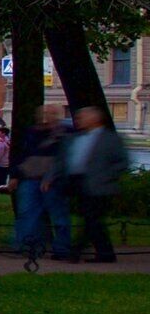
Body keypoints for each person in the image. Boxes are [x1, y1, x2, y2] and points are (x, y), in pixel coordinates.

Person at [58, 103, 126, 264]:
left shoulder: (109, 138)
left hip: (100, 186)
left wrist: (106, 176)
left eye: (83, 117)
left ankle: (77, 252)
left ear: (95, 119)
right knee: (92, 220)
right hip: (79, 183)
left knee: (92, 219)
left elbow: (122, 162)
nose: (79, 120)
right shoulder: (77, 137)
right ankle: (105, 253)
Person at [11, 120, 65, 261]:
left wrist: (51, 176)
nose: (48, 118)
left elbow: (63, 159)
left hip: (53, 181)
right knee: (28, 214)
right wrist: (16, 175)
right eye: (45, 114)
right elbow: (21, 155)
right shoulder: (31, 134)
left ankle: (61, 249)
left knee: (58, 215)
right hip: (30, 178)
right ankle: (27, 245)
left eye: (52, 115)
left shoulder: (63, 134)